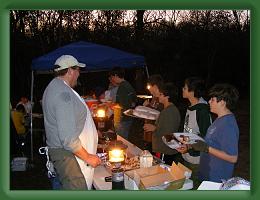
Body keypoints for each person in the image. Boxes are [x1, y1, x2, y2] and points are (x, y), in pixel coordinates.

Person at [42, 55, 101, 190]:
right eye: (78, 70)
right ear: (70, 71)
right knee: (78, 189)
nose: (79, 74)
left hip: (65, 152)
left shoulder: (55, 86)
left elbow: (66, 119)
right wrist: (88, 157)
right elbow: (68, 139)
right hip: (66, 155)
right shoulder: (63, 93)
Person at [190, 83, 239, 183]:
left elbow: (233, 158)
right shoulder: (219, 119)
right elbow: (213, 143)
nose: (209, 102)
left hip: (216, 179)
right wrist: (192, 144)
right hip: (207, 174)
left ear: (222, 102)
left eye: (212, 99)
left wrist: (206, 148)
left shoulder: (228, 125)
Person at [176, 77, 212, 189]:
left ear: (192, 91)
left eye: (185, 87)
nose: (182, 89)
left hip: (197, 159)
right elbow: (190, 131)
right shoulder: (191, 107)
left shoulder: (202, 111)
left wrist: (189, 147)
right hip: (187, 155)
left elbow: (206, 137)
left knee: (195, 187)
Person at [143, 82, 181, 165]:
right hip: (164, 149)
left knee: (163, 171)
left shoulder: (169, 111)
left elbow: (168, 133)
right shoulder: (168, 110)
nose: (158, 96)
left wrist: (154, 128)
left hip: (164, 150)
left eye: (160, 94)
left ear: (167, 96)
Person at [109, 67, 137, 139]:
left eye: (112, 77)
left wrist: (112, 105)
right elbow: (133, 101)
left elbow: (123, 105)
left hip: (123, 119)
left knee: (121, 140)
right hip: (128, 118)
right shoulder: (127, 84)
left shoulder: (123, 87)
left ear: (115, 75)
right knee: (124, 139)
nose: (112, 79)